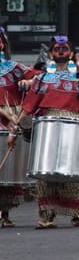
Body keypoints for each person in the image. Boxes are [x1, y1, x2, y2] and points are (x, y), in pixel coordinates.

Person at [15, 35, 79, 228]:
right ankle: (47, 215)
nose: (60, 52)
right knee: (45, 170)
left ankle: (76, 212)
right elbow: (30, 103)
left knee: (72, 169)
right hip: (49, 125)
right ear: (51, 53)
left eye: (64, 49)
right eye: (56, 49)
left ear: (70, 52)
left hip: (74, 122)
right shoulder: (44, 77)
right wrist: (18, 123)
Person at [0, 26, 36, 228]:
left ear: (2, 44)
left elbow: (38, 76)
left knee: (6, 168)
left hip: (9, 119)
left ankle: (3, 212)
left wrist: (27, 81)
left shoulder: (14, 68)